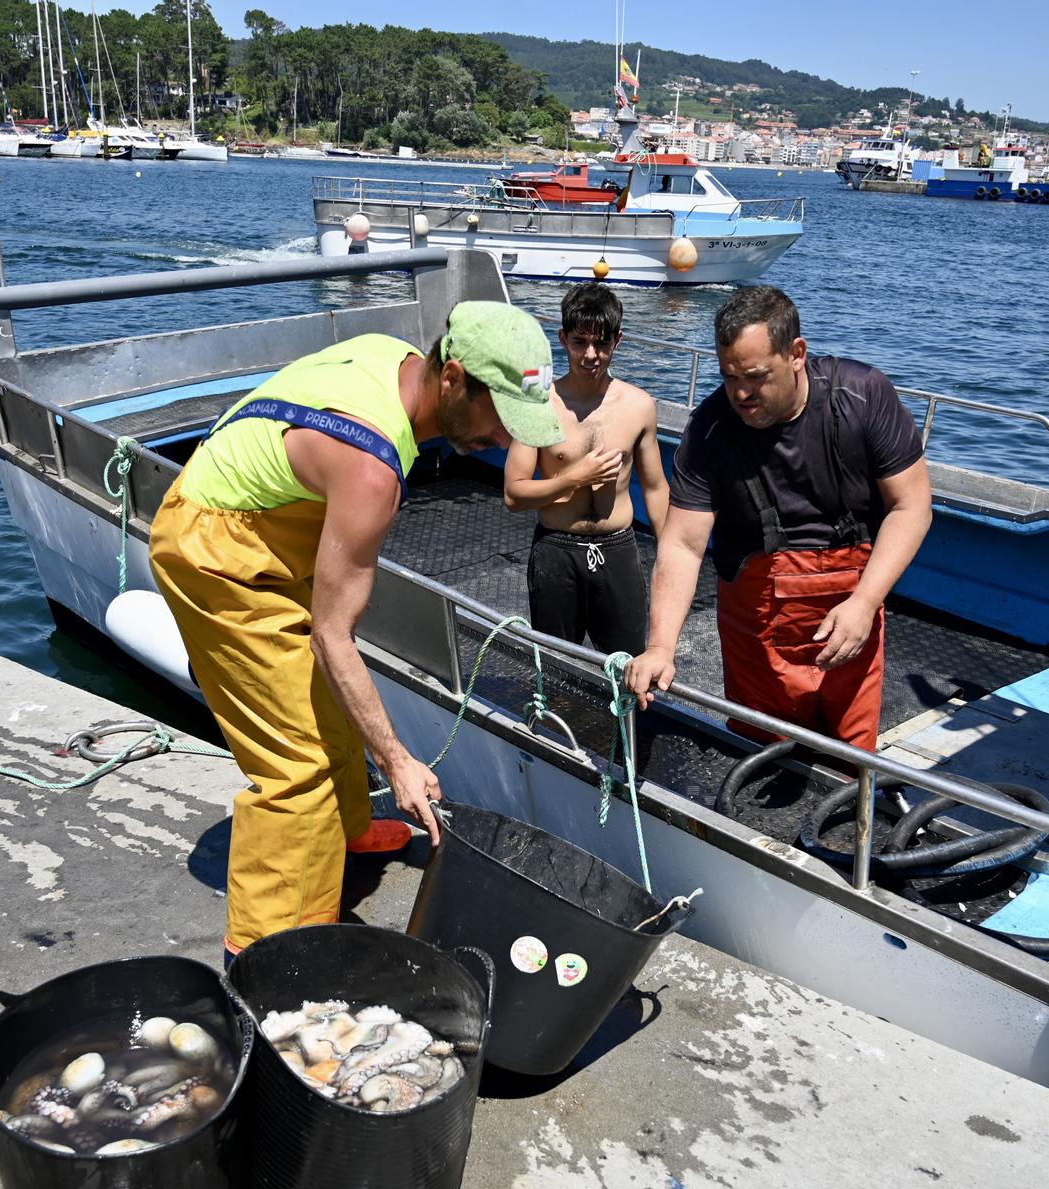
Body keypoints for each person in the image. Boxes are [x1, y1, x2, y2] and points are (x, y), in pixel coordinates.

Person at [148, 303, 565, 960]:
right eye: (503, 420)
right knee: (297, 764)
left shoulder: (391, 356)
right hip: (213, 551)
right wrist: (398, 759)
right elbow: (334, 635)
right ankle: (270, 948)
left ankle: (347, 827)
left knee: (327, 702)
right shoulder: (371, 468)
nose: (509, 442)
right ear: (453, 377)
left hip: (263, 517)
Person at [624, 286, 932, 751]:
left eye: (755, 376)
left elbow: (912, 507)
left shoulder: (862, 396)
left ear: (796, 354)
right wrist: (661, 646)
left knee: (850, 759)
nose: (741, 394)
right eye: (729, 378)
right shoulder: (710, 429)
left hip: (851, 615)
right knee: (756, 754)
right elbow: (683, 544)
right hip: (757, 628)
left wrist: (866, 603)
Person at [502, 285, 668, 656]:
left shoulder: (639, 405)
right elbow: (514, 493)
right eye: (579, 342)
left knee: (628, 669)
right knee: (557, 665)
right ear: (563, 339)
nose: (591, 355)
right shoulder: (539, 399)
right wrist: (578, 477)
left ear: (618, 341)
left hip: (618, 550)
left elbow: (656, 487)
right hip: (556, 551)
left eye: (602, 344)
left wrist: (670, 555)